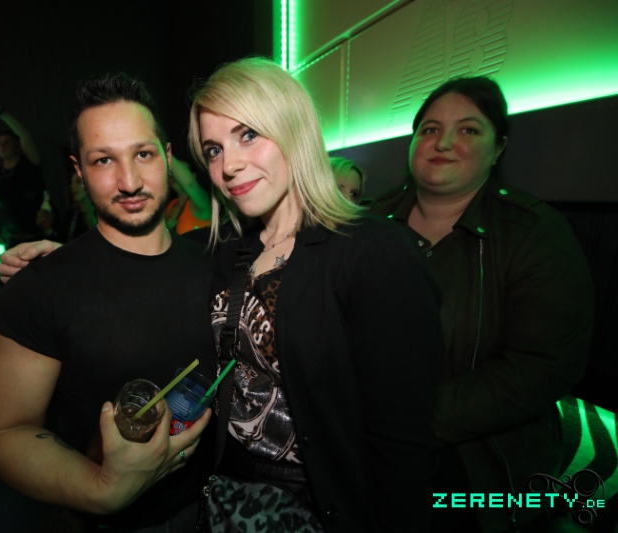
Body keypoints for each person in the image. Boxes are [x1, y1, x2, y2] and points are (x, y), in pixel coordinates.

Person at [189, 57, 444, 532]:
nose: (229, 165)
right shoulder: (229, 251)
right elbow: (153, 261)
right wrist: (66, 258)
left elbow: (402, 443)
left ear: (294, 130)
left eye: (248, 135)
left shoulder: (373, 252)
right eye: (213, 149)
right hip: (228, 498)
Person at [0, 74, 213, 532]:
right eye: (104, 160)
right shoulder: (39, 288)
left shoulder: (215, 259)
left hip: (218, 504)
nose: (129, 181)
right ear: (79, 172)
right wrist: (102, 491)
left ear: (167, 158)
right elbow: (6, 431)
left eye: (143, 154)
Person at [368, 77, 594, 533]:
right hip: (365, 437)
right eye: (430, 129)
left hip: (481, 458)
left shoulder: (534, 233)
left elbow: (544, 365)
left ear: (498, 148)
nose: (443, 142)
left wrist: (408, 422)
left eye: (468, 130)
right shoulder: (366, 224)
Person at [0, 93, 47, 248]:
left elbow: (24, 134)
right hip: (14, 239)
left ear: (17, 146)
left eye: (7, 142)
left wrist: (0, 112)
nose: (2, 146)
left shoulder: (29, 164)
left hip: (39, 237)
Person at [165, 155, 211, 234]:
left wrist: (165, 152)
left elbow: (190, 184)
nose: (174, 175)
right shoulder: (170, 205)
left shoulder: (202, 202)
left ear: (193, 176)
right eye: (172, 171)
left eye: (180, 171)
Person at [52, 172, 98, 243]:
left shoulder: (103, 212)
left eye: (78, 182)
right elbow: (61, 243)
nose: (72, 186)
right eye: (72, 183)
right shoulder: (70, 215)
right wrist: (48, 230)